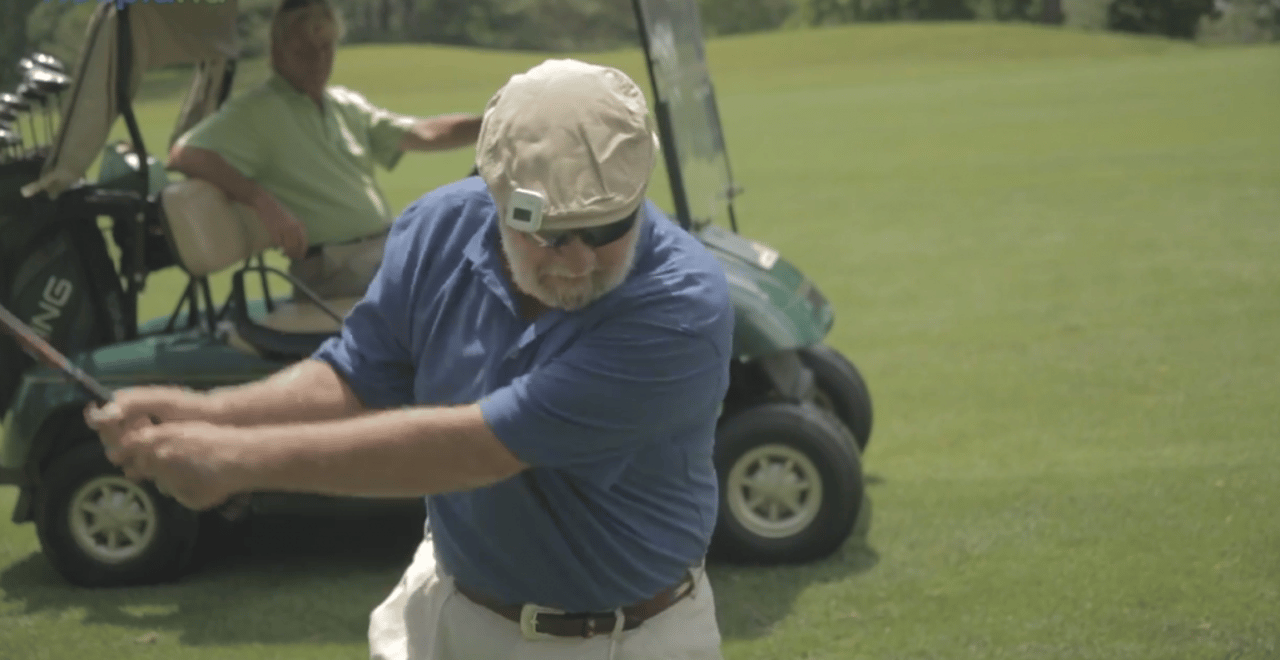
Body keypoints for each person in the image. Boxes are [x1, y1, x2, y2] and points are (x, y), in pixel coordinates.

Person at [86, 58, 734, 660]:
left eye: (607, 228)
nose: (580, 260)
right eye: (549, 232)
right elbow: (356, 371)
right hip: (450, 608)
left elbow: (477, 449)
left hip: (623, 638)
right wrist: (212, 414)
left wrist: (235, 463)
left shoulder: (679, 307)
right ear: (495, 190)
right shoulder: (438, 229)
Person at [167, 0, 482, 299]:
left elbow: (425, 133)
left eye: (325, 48)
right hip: (332, 267)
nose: (317, 60)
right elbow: (184, 153)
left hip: (380, 251)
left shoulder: (344, 104)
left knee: (484, 252)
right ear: (277, 52)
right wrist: (263, 203)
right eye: (302, 50)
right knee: (461, 281)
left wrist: (496, 122)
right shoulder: (257, 111)